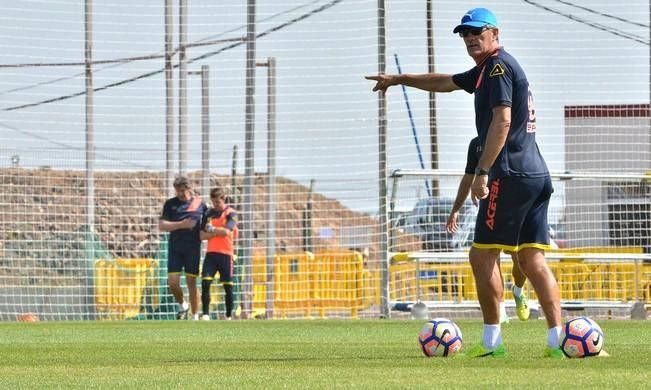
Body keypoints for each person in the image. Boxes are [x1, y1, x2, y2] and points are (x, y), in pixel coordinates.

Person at [367, 7, 563, 358]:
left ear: (495, 34)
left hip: (509, 173)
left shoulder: (498, 68)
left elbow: (502, 122)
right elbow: (444, 83)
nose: (471, 37)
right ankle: (557, 343)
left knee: (482, 256)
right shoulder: (486, 70)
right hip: (535, 173)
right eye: (465, 33)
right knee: (533, 260)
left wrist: (484, 171)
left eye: (477, 31)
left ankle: (492, 344)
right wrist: (399, 80)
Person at [446, 136, 530, 324]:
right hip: (490, 206)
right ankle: (499, 308)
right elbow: (468, 178)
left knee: (521, 260)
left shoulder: (517, 140)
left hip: (515, 206)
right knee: (490, 257)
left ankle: (518, 291)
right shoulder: (476, 144)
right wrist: (455, 210)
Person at [159, 176, 206, 320]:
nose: (180, 194)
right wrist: (181, 224)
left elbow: (206, 224)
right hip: (175, 248)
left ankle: (195, 316)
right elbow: (162, 225)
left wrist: (214, 232)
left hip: (193, 248)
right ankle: (182, 304)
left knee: (192, 282)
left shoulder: (199, 204)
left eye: (182, 191)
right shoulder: (170, 204)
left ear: (189, 189)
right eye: (177, 191)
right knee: (172, 283)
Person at [199, 187, 238, 320]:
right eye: (213, 202)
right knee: (205, 282)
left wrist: (212, 230)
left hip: (226, 254)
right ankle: (205, 314)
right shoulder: (208, 213)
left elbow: (227, 232)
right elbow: (202, 235)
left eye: (218, 202)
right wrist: (216, 232)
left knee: (228, 287)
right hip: (211, 254)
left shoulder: (231, 213)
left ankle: (228, 316)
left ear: (223, 199)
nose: (215, 205)